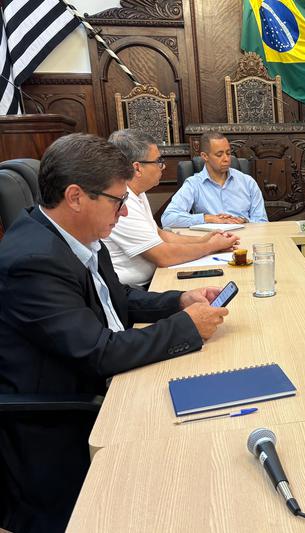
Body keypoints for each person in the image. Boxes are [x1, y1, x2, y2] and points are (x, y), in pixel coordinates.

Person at [0, 133, 229, 532]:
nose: (124, 212)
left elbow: (116, 297)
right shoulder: (33, 261)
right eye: (117, 200)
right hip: (63, 419)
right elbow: (100, 352)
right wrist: (186, 328)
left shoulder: (77, 236)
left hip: (105, 383)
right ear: (75, 197)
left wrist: (178, 301)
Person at [104, 129, 239, 287]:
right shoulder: (122, 201)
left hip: (152, 280)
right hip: (133, 290)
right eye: (158, 161)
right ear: (137, 168)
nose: (163, 166)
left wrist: (205, 239)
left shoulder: (137, 192)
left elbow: (161, 235)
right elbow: (163, 256)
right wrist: (211, 246)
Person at [161, 132, 268, 227]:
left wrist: (245, 221)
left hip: (246, 238)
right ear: (205, 156)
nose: (226, 159)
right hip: (212, 239)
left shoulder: (247, 182)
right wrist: (208, 218)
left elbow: (262, 222)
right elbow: (168, 218)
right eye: (219, 155)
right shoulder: (193, 184)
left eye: (228, 153)